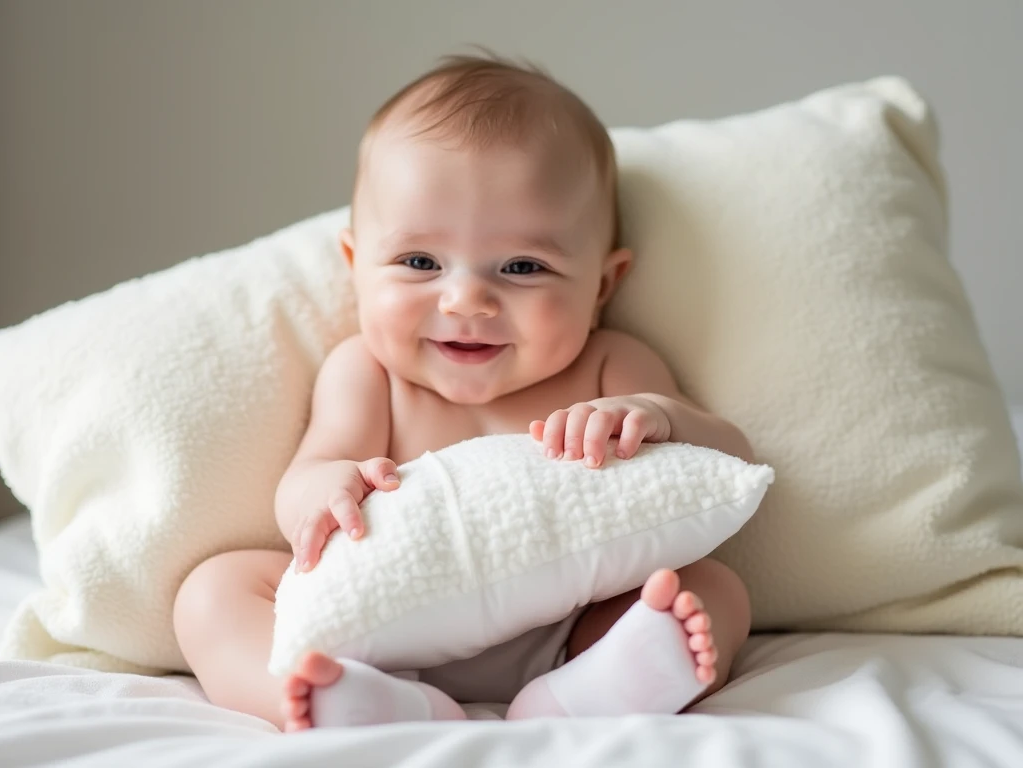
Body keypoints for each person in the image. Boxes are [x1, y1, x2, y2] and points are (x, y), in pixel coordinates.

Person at [173, 53, 754, 732]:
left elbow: (728, 457)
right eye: (420, 262)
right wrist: (330, 486)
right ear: (357, 267)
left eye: (522, 266)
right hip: (379, 623)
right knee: (213, 592)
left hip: (567, 628)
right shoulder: (367, 372)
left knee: (712, 588)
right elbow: (305, 478)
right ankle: (317, 695)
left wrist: (655, 416)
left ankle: (600, 686)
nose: (467, 299)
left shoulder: (610, 364)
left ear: (601, 285)